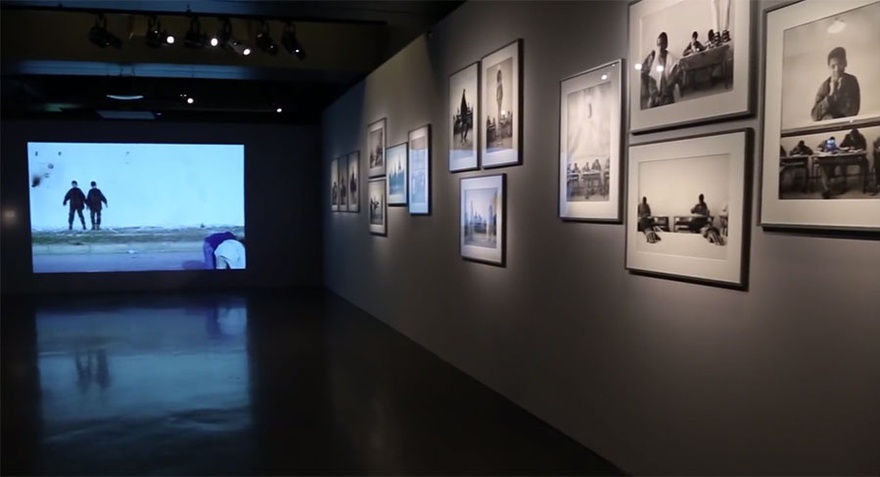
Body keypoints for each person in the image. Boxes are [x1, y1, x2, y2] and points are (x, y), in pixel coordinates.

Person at [811, 47, 860, 121]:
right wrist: (830, 95)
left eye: (840, 64)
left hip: (847, 127)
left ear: (845, 63)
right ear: (828, 67)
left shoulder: (852, 81)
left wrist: (842, 91)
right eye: (833, 66)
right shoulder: (824, 86)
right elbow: (814, 116)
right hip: (829, 129)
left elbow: (853, 113)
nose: (837, 69)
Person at [641, 32, 679, 108]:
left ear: (666, 44)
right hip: (657, 95)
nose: (660, 47)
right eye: (658, 45)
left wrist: (662, 95)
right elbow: (652, 81)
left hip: (668, 94)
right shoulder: (656, 60)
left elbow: (672, 81)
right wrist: (655, 96)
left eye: (662, 44)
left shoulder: (672, 59)